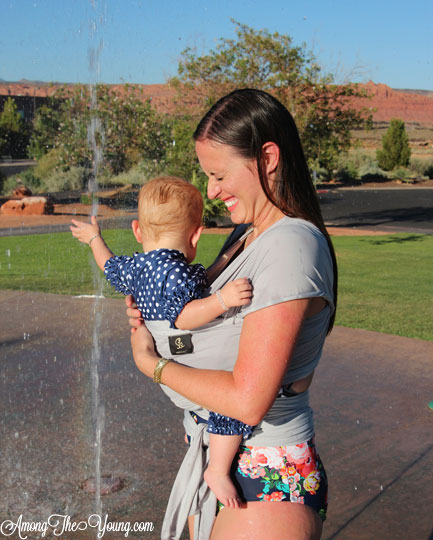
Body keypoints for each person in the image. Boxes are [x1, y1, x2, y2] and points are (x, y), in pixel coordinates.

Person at [127, 89, 338, 540]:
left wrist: (154, 365)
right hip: (213, 455)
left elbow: (247, 399)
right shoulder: (247, 235)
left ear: (267, 157)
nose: (211, 191)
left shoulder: (291, 244)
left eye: (219, 174)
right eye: (207, 175)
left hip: (265, 470)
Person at [70, 176, 253, 508]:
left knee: (208, 405)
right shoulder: (178, 272)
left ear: (138, 231)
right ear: (195, 236)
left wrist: (94, 237)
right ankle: (218, 469)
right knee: (229, 406)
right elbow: (184, 316)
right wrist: (222, 301)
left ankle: (198, 428)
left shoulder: (135, 267)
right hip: (183, 348)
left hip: (168, 349)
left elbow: (107, 264)